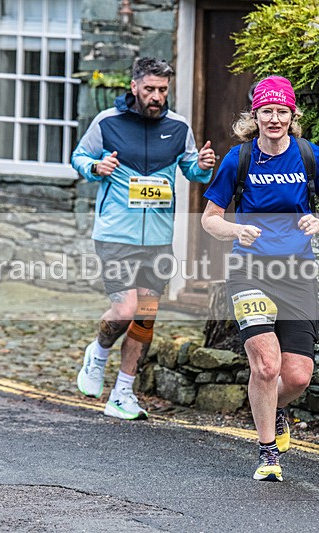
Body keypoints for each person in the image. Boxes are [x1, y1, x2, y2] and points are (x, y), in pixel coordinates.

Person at [200, 76, 319, 481]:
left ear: (292, 115)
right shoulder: (239, 158)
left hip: (297, 273)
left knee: (297, 375)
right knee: (267, 365)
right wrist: (236, 231)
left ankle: (276, 408)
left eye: (281, 111)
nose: (274, 118)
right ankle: (268, 453)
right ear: (256, 115)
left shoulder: (308, 155)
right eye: (266, 111)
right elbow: (210, 219)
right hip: (250, 270)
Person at [71, 57, 216, 420]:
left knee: (146, 316)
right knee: (124, 309)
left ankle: (122, 393)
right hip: (116, 235)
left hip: (158, 240)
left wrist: (204, 164)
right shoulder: (107, 123)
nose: (156, 97)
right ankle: (98, 352)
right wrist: (95, 167)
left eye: (162, 90)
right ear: (134, 86)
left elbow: (191, 169)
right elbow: (79, 157)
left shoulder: (179, 127)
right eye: (149, 89)